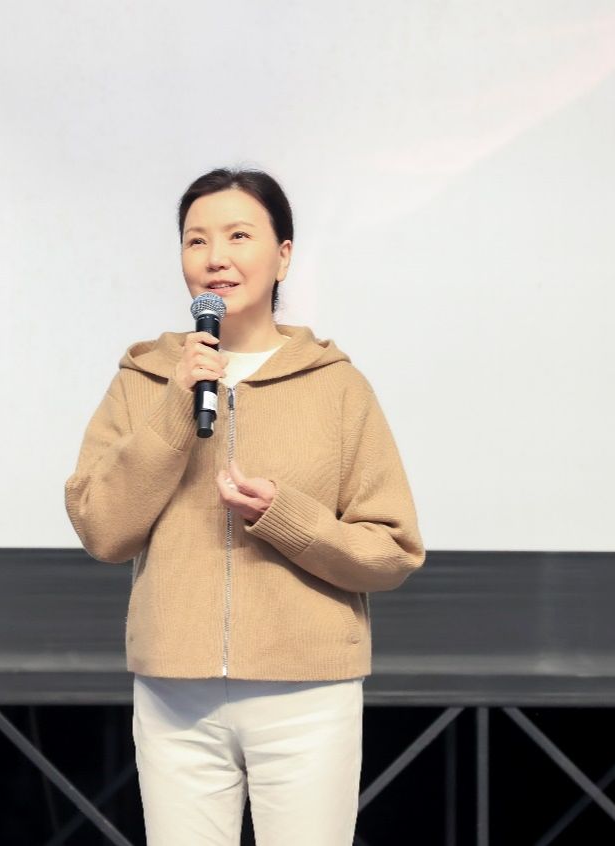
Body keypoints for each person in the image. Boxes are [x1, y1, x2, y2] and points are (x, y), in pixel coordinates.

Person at [64, 167, 424, 845]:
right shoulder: (145, 379)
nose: (215, 257)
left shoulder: (337, 386)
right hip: (176, 694)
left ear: (283, 255)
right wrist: (174, 407)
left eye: (238, 236)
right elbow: (102, 529)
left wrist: (287, 519)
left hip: (307, 695)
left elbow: (392, 548)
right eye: (196, 240)